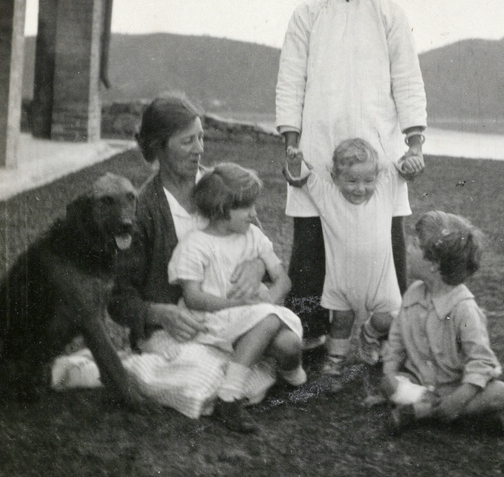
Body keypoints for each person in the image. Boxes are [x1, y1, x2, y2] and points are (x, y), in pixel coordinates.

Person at [275, 0, 427, 347]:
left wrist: (415, 142)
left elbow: (408, 80)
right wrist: (291, 143)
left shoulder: (389, 13)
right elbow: (290, 80)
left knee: (386, 241)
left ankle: (386, 334)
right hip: (319, 148)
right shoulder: (307, 13)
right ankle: (309, 333)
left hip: (376, 150)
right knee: (310, 245)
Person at [108, 92, 277, 422]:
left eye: (200, 137)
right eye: (187, 142)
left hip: (234, 319)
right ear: (158, 146)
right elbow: (119, 300)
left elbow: (263, 247)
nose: (200, 149)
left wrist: (257, 266)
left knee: (271, 343)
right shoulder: (141, 210)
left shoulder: (222, 186)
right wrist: (161, 313)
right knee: (201, 378)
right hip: (178, 332)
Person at [166, 162, 305, 432]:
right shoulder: (195, 245)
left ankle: (291, 374)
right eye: (246, 208)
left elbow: (283, 280)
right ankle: (229, 398)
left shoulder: (253, 236)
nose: (254, 214)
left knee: (289, 344)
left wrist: (268, 302)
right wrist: (242, 305)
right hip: (215, 319)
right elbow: (193, 298)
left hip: (254, 315)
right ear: (220, 211)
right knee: (267, 320)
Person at [286, 139, 414, 375]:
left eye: (368, 180)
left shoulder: (383, 193)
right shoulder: (328, 196)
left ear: (376, 177)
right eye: (352, 181)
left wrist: (412, 157)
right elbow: (303, 178)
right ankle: (336, 359)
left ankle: (370, 332)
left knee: (391, 319)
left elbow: (403, 168)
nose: (360, 188)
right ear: (335, 178)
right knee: (341, 322)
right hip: (342, 281)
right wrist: (295, 162)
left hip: (380, 282)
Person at [380, 211, 504, 435]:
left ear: (434, 263)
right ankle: (460, 417)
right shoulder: (413, 293)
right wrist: (390, 376)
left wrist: (459, 398)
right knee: (388, 383)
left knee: (500, 392)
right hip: (420, 381)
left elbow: (481, 362)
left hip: (458, 386)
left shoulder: (464, 308)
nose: (408, 248)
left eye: (415, 244)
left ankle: (425, 413)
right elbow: (396, 341)